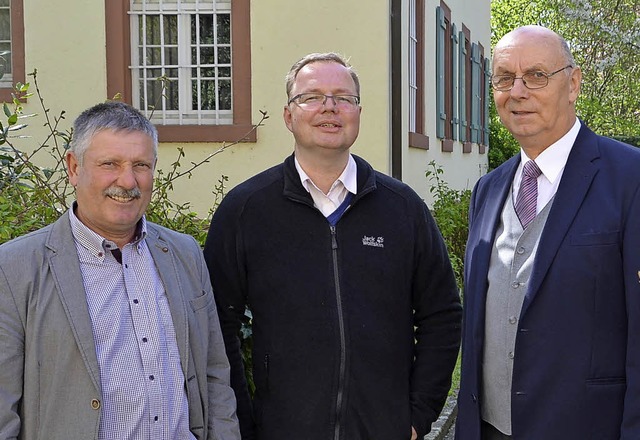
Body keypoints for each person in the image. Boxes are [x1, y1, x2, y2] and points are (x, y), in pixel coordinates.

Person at [203, 52, 462, 440]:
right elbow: (215, 326)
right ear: (289, 116)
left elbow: (441, 314)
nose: (329, 107)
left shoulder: (403, 208)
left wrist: (417, 414)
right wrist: (244, 422)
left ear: (358, 112)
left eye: (343, 97)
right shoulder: (245, 210)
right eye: (312, 97)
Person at [0, 101, 240, 440]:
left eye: (140, 165)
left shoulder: (184, 254)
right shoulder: (14, 268)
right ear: (74, 167)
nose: (127, 181)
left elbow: (214, 375)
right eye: (109, 164)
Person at [456, 25, 640, 440]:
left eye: (537, 75)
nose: (517, 91)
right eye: (504, 77)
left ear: (572, 84)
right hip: (491, 429)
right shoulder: (489, 189)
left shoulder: (630, 178)